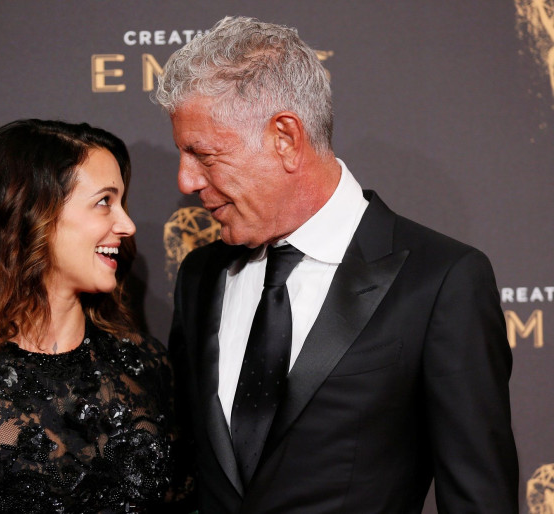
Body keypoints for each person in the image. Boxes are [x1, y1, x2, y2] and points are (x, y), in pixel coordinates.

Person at [154, 16, 518, 514]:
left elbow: (480, 499)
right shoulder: (202, 276)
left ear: (284, 137)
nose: (186, 180)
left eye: (204, 154)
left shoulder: (441, 282)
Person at [0, 119, 191, 513]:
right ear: (32, 214)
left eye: (122, 202)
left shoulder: (147, 366)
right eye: (104, 201)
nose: (126, 225)